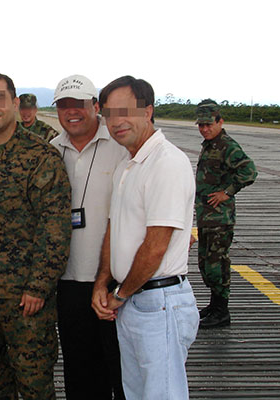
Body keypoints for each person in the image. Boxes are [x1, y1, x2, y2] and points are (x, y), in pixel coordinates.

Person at [92, 76, 199, 399]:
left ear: (149, 111)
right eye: (109, 114)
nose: (116, 121)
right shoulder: (130, 163)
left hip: (159, 302)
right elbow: (116, 228)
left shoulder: (166, 163)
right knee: (138, 393)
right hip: (134, 301)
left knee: (162, 394)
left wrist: (120, 295)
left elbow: (155, 247)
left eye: (125, 111)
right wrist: (102, 282)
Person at [0, 73, 72, 399]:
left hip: (27, 303)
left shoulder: (41, 158)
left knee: (34, 387)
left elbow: (54, 228)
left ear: (15, 103)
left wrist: (38, 286)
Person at [50, 74, 127, 399]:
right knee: (80, 370)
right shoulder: (52, 151)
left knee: (122, 368)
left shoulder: (121, 146)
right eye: (64, 106)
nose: (72, 112)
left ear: (95, 106)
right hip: (68, 281)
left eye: (79, 104)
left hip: (115, 281)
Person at [194, 99, 257, 328]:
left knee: (216, 264)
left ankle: (222, 312)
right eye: (201, 125)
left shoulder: (227, 145)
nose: (204, 129)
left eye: (209, 124)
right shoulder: (210, 144)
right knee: (206, 263)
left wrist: (227, 192)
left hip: (220, 218)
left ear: (220, 121)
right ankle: (214, 305)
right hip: (207, 217)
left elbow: (249, 171)